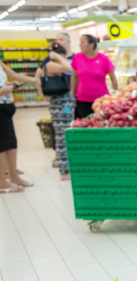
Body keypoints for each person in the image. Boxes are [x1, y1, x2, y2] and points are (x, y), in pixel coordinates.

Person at [36, 44, 75, 181]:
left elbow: (37, 77)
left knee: (65, 133)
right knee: (62, 136)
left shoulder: (48, 65)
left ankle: (66, 168)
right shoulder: (50, 65)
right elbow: (68, 67)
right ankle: (64, 170)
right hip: (59, 105)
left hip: (63, 104)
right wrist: (57, 56)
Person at [0, 60, 38, 193]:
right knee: (2, 146)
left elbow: (9, 76)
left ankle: (14, 177)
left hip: (6, 108)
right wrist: (3, 90)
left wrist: (9, 85)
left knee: (10, 143)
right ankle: (2, 183)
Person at [71, 34, 117, 119]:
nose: (79, 44)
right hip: (82, 100)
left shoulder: (104, 59)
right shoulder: (77, 58)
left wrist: (115, 96)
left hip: (102, 101)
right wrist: (72, 94)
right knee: (84, 126)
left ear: (91, 45)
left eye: (82, 42)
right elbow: (74, 77)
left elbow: (113, 79)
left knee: (101, 125)